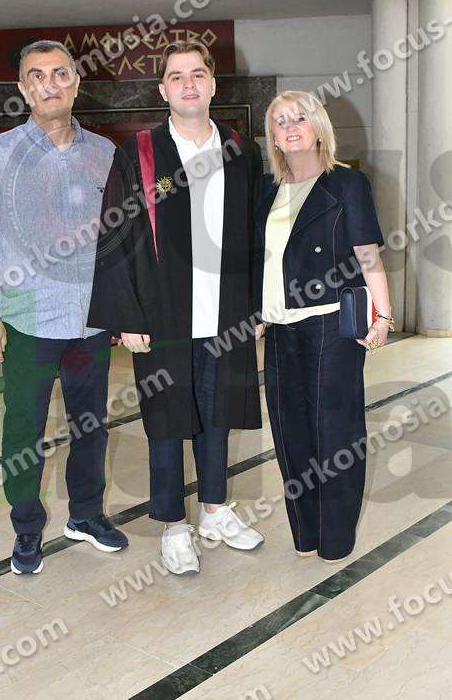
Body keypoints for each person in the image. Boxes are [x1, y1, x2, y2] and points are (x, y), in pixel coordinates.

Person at [88, 40, 264, 575]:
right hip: (162, 314)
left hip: (226, 310)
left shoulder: (240, 149)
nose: (189, 84)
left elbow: (256, 232)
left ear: (213, 84)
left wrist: (257, 306)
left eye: (197, 74)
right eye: (177, 76)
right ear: (163, 90)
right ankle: (173, 524)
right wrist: (126, 318)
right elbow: (115, 234)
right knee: (166, 419)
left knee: (218, 412)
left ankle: (214, 509)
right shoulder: (140, 153)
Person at [0, 40, 128, 575]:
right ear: (22, 88)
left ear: (77, 82)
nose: (49, 83)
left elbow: (119, 239)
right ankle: (27, 527)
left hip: (89, 322)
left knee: (90, 425)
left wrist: (123, 310)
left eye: (60, 73)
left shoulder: (105, 153)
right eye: (37, 75)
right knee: (23, 429)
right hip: (26, 317)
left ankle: (86, 515)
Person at [257, 90, 392, 563]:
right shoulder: (267, 190)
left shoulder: (347, 184)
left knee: (335, 435)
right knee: (290, 435)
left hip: (332, 326)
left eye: (299, 118)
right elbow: (261, 260)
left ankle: (336, 538)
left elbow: (368, 256)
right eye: (280, 121)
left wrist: (383, 315)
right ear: (273, 136)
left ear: (318, 126)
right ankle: (307, 534)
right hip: (280, 329)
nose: (290, 127)